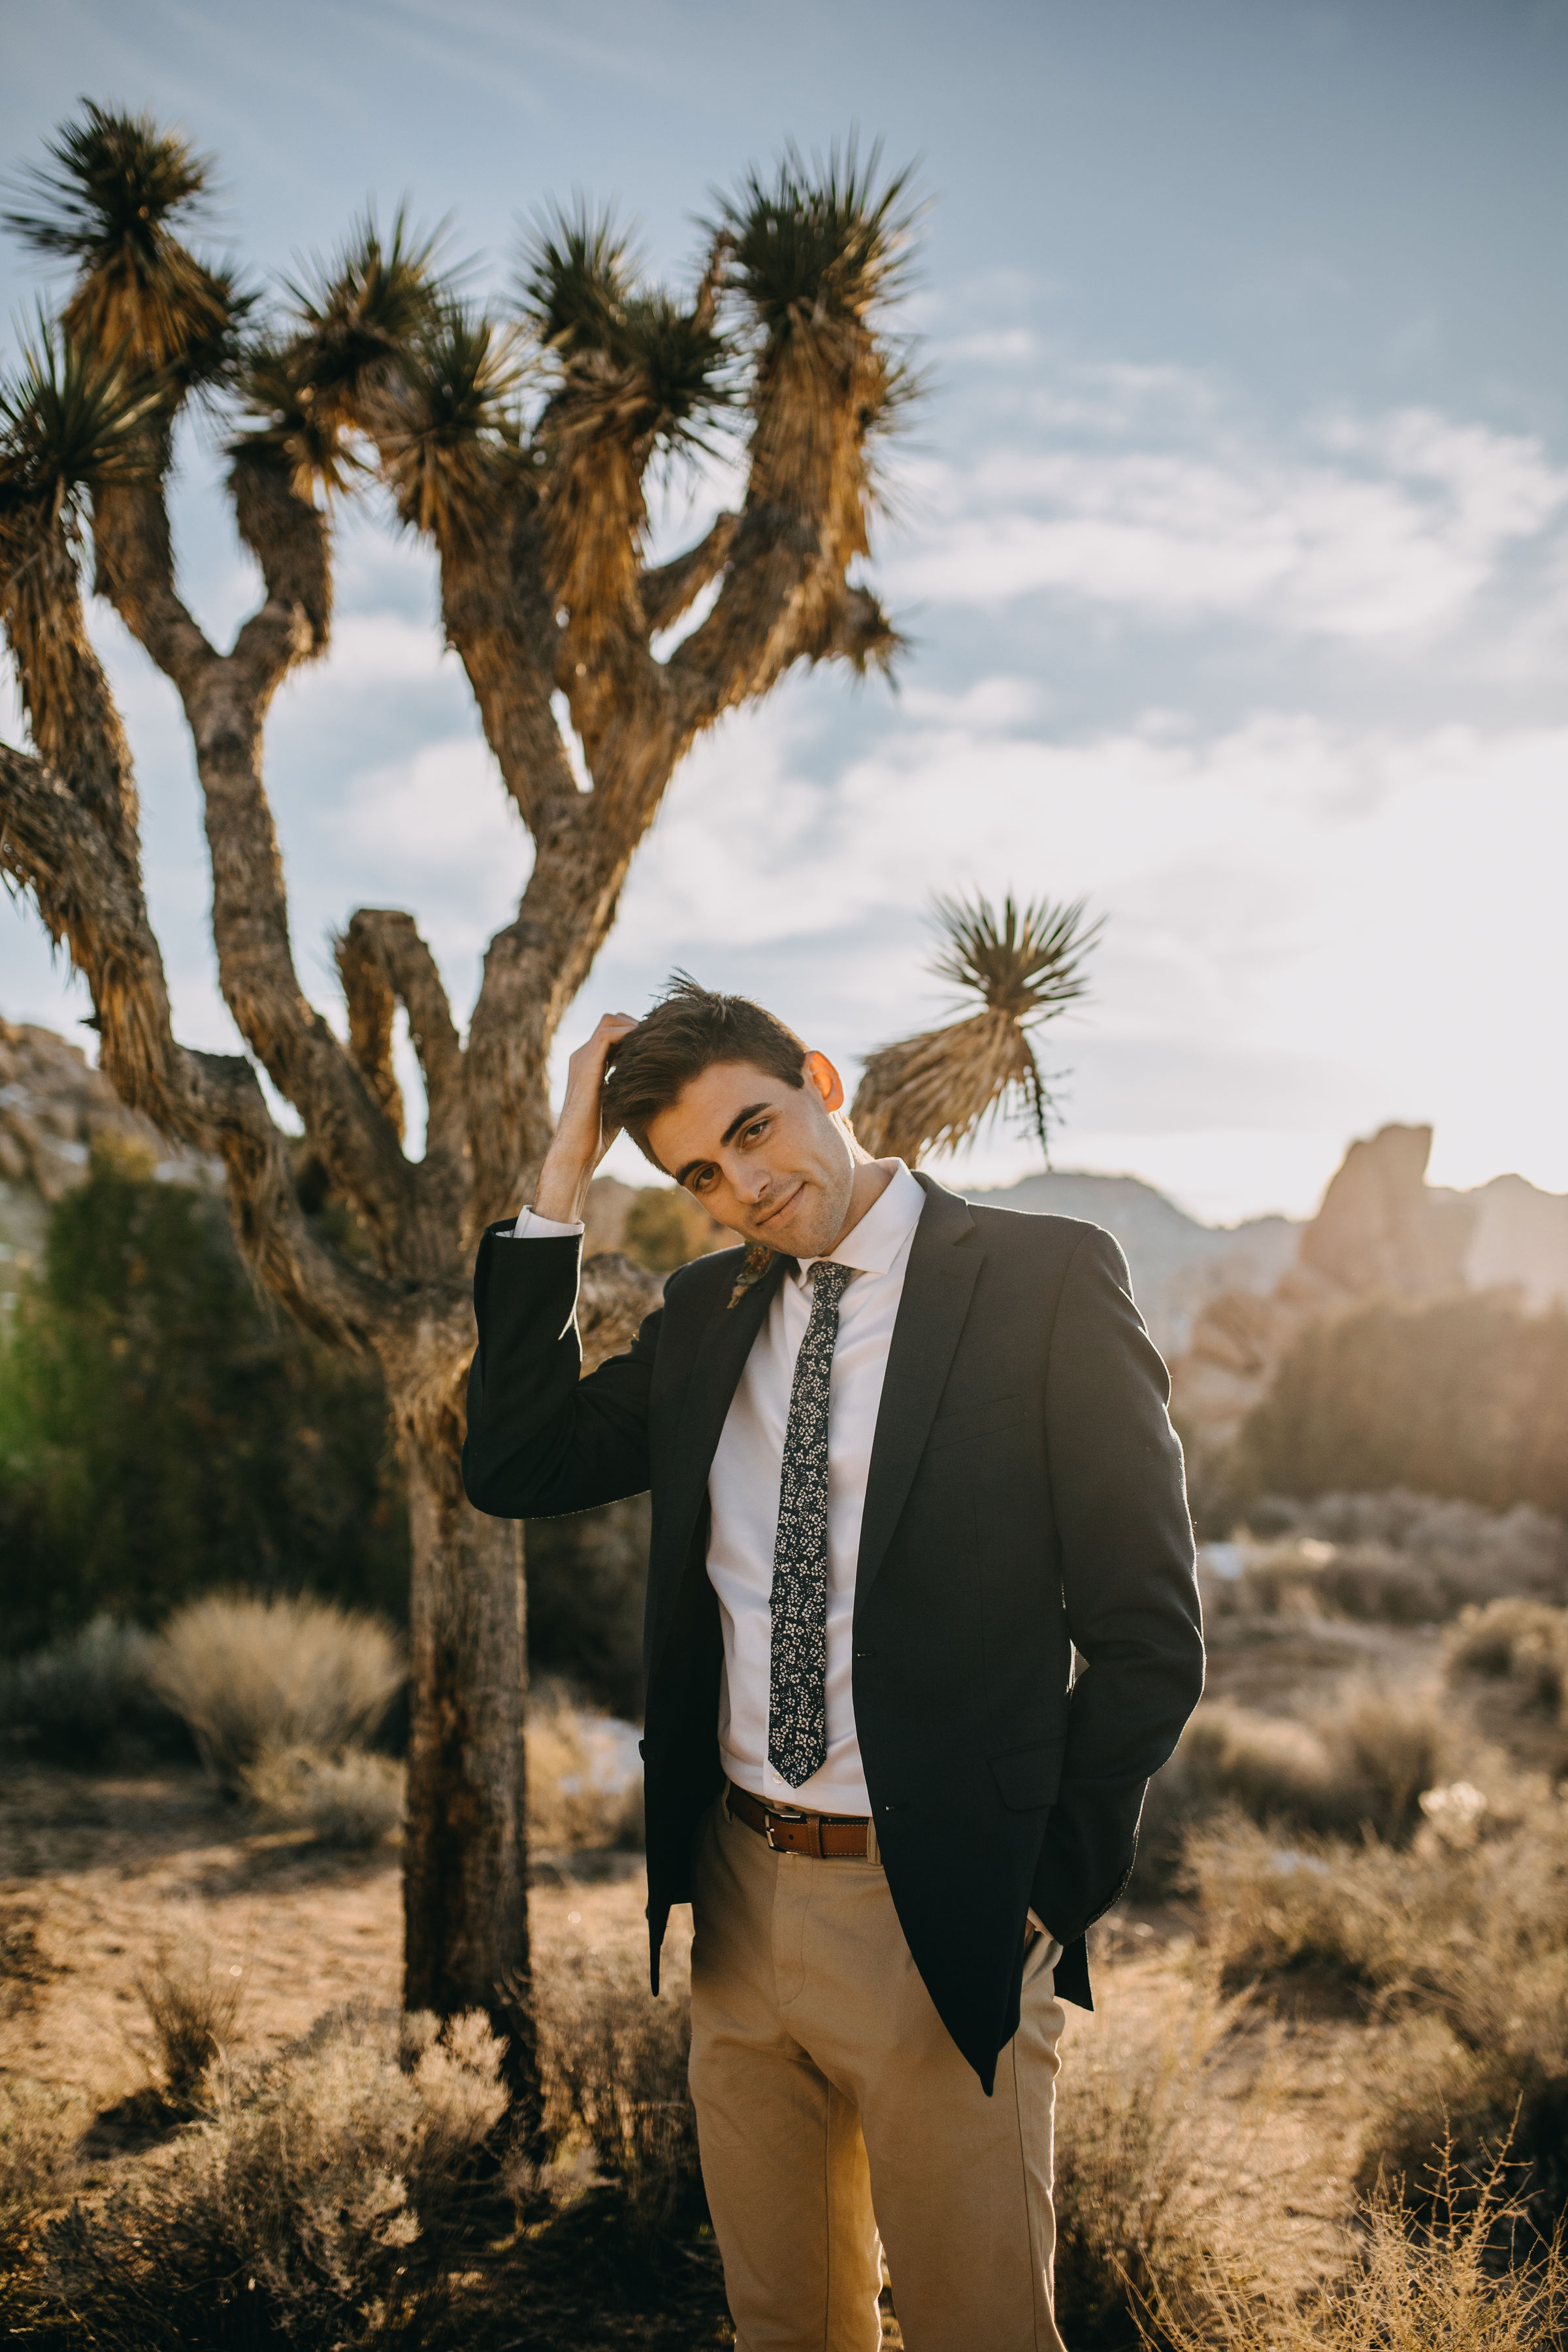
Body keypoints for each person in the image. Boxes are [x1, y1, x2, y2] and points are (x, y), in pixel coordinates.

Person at [463, 979, 1204, 2352]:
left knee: (981, 2329)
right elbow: (513, 1463)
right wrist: (561, 1178)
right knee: (784, 2328)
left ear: (821, 1078)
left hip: (942, 1907)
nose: (743, 1184)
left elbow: (1151, 1632)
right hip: (739, 1903)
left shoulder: (1042, 1279)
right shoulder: (704, 1312)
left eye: (756, 1128)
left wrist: (1046, 1890)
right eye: (701, 1172)